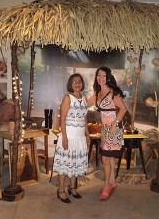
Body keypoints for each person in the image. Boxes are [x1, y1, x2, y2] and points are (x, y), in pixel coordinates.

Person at [87, 66, 127, 201]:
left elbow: (123, 109)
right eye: (98, 75)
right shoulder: (97, 92)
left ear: (108, 77)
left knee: (105, 158)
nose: (101, 78)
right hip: (105, 130)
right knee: (109, 158)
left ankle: (106, 187)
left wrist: (115, 123)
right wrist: (72, 98)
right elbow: (86, 102)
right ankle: (113, 182)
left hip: (113, 128)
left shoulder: (113, 91)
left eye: (103, 76)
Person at [52, 73, 90, 204]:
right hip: (69, 136)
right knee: (64, 164)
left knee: (75, 164)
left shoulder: (84, 99)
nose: (77, 84)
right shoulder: (68, 98)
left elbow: (84, 118)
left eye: (79, 81)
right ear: (70, 84)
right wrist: (64, 138)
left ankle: (72, 188)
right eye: (74, 82)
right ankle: (61, 190)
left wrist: (88, 135)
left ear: (82, 84)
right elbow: (62, 118)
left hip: (80, 137)